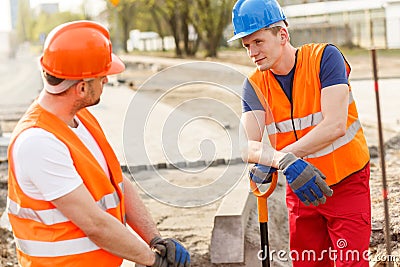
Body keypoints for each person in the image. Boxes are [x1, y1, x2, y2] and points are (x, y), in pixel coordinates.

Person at [6, 20, 190, 267]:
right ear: (82, 88)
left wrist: (154, 239)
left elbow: (118, 183)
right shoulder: (38, 142)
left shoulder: (81, 118)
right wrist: (152, 261)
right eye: (102, 77)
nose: (106, 81)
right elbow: (95, 224)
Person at [230, 0, 371, 266]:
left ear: (282, 35)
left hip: (346, 183)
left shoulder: (325, 58)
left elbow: (335, 125)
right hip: (301, 191)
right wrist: (282, 162)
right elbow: (246, 147)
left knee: (352, 262)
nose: (252, 53)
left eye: (258, 42)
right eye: (246, 45)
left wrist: (280, 157)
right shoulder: (254, 85)